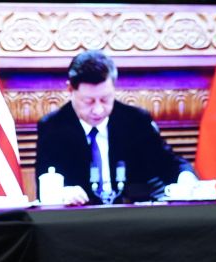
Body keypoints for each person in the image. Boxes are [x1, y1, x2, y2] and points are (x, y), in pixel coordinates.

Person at [35, 49, 197, 205]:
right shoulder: (53, 127)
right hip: (78, 221)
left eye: (105, 99)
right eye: (88, 101)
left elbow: (170, 164)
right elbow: (45, 181)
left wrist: (185, 178)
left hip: (133, 219)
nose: (98, 110)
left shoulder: (136, 121)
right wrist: (62, 193)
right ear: (70, 90)